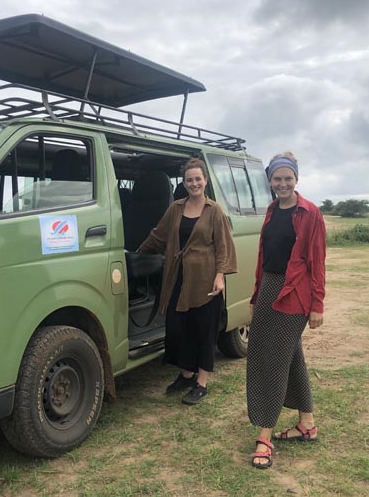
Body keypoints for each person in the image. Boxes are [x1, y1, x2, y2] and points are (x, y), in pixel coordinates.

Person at [246, 152, 326, 469]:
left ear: (296, 179)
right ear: (270, 181)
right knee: (290, 356)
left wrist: (317, 305)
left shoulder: (310, 214)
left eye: (287, 178)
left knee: (272, 359)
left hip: (295, 294)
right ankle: (307, 422)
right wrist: (256, 296)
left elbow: (317, 263)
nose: (282, 184)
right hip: (269, 288)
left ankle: (264, 435)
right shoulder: (271, 210)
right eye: (277, 179)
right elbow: (264, 258)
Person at [138, 158, 237, 404]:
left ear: (205, 181)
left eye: (198, 179)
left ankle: (201, 382)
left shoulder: (214, 211)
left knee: (203, 330)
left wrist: (220, 276)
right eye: (189, 180)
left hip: (205, 280)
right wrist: (135, 254)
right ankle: (186, 373)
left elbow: (223, 246)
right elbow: (158, 236)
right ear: (184, 182)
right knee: (178, 328)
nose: (194, 184)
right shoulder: (176, 208)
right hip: (177, 277)